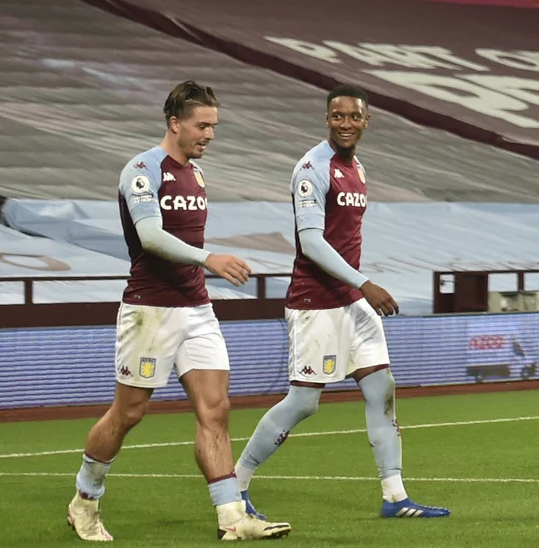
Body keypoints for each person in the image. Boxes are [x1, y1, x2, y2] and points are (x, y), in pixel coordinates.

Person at [67, 82, 290, 542]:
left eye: (214, 126)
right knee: (128, 414)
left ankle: (232, 518)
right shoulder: (143, 170)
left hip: (196, 310)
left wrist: (203, 271)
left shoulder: (196, 174)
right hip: (150, 311)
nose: (209, 134)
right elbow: (149, 235)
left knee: (216, 410)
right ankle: (84, 501)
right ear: (175, 123)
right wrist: (210, 259)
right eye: (201, 125)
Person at [232, 84, 448, 519]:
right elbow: (310, 242)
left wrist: (359, 291)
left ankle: (395, 497)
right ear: (326, 119)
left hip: (352, 303)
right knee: (303, 403)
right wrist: (365, 283)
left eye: (354, 117)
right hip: (316, 302)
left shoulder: (358, 170)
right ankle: (234, 484)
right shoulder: (312, 168)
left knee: (381, 389)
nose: (346, 123)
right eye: (337, 116)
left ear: (367, 121)